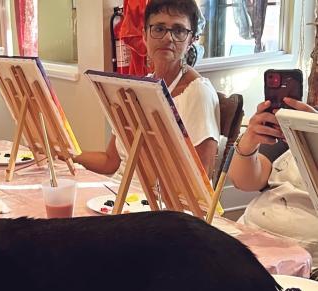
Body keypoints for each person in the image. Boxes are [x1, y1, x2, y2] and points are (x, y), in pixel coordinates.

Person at [75, 0, 219, 178]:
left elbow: (201, 177)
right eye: (159, 28)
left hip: (162, 203)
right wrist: (67, 153)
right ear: (144, 35)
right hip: (119, 193)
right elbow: (110, 161)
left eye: (179, 30)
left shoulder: (197, 92)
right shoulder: (137, 89)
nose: (168, 37)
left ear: (191, 40)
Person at [228, 98, 318, 276]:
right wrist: (249, 143)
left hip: (300, 263)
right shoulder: (300, 118)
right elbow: (245, 182)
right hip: (247, 238)